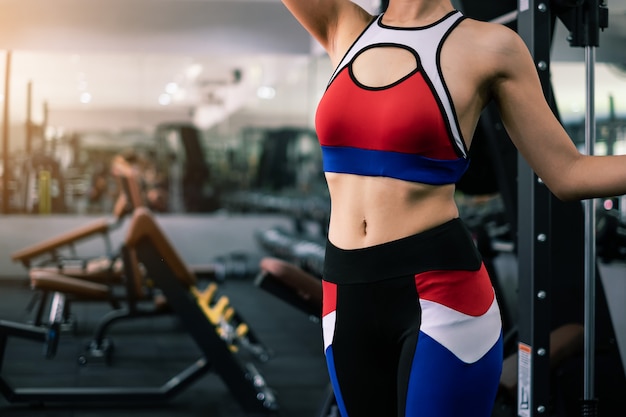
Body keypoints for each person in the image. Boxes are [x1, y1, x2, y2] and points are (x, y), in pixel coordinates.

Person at [279, 0, 626, 416]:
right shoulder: (342, 24)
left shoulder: (491, 46)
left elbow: (568, 174)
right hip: (345, 291)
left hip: (441, 296)